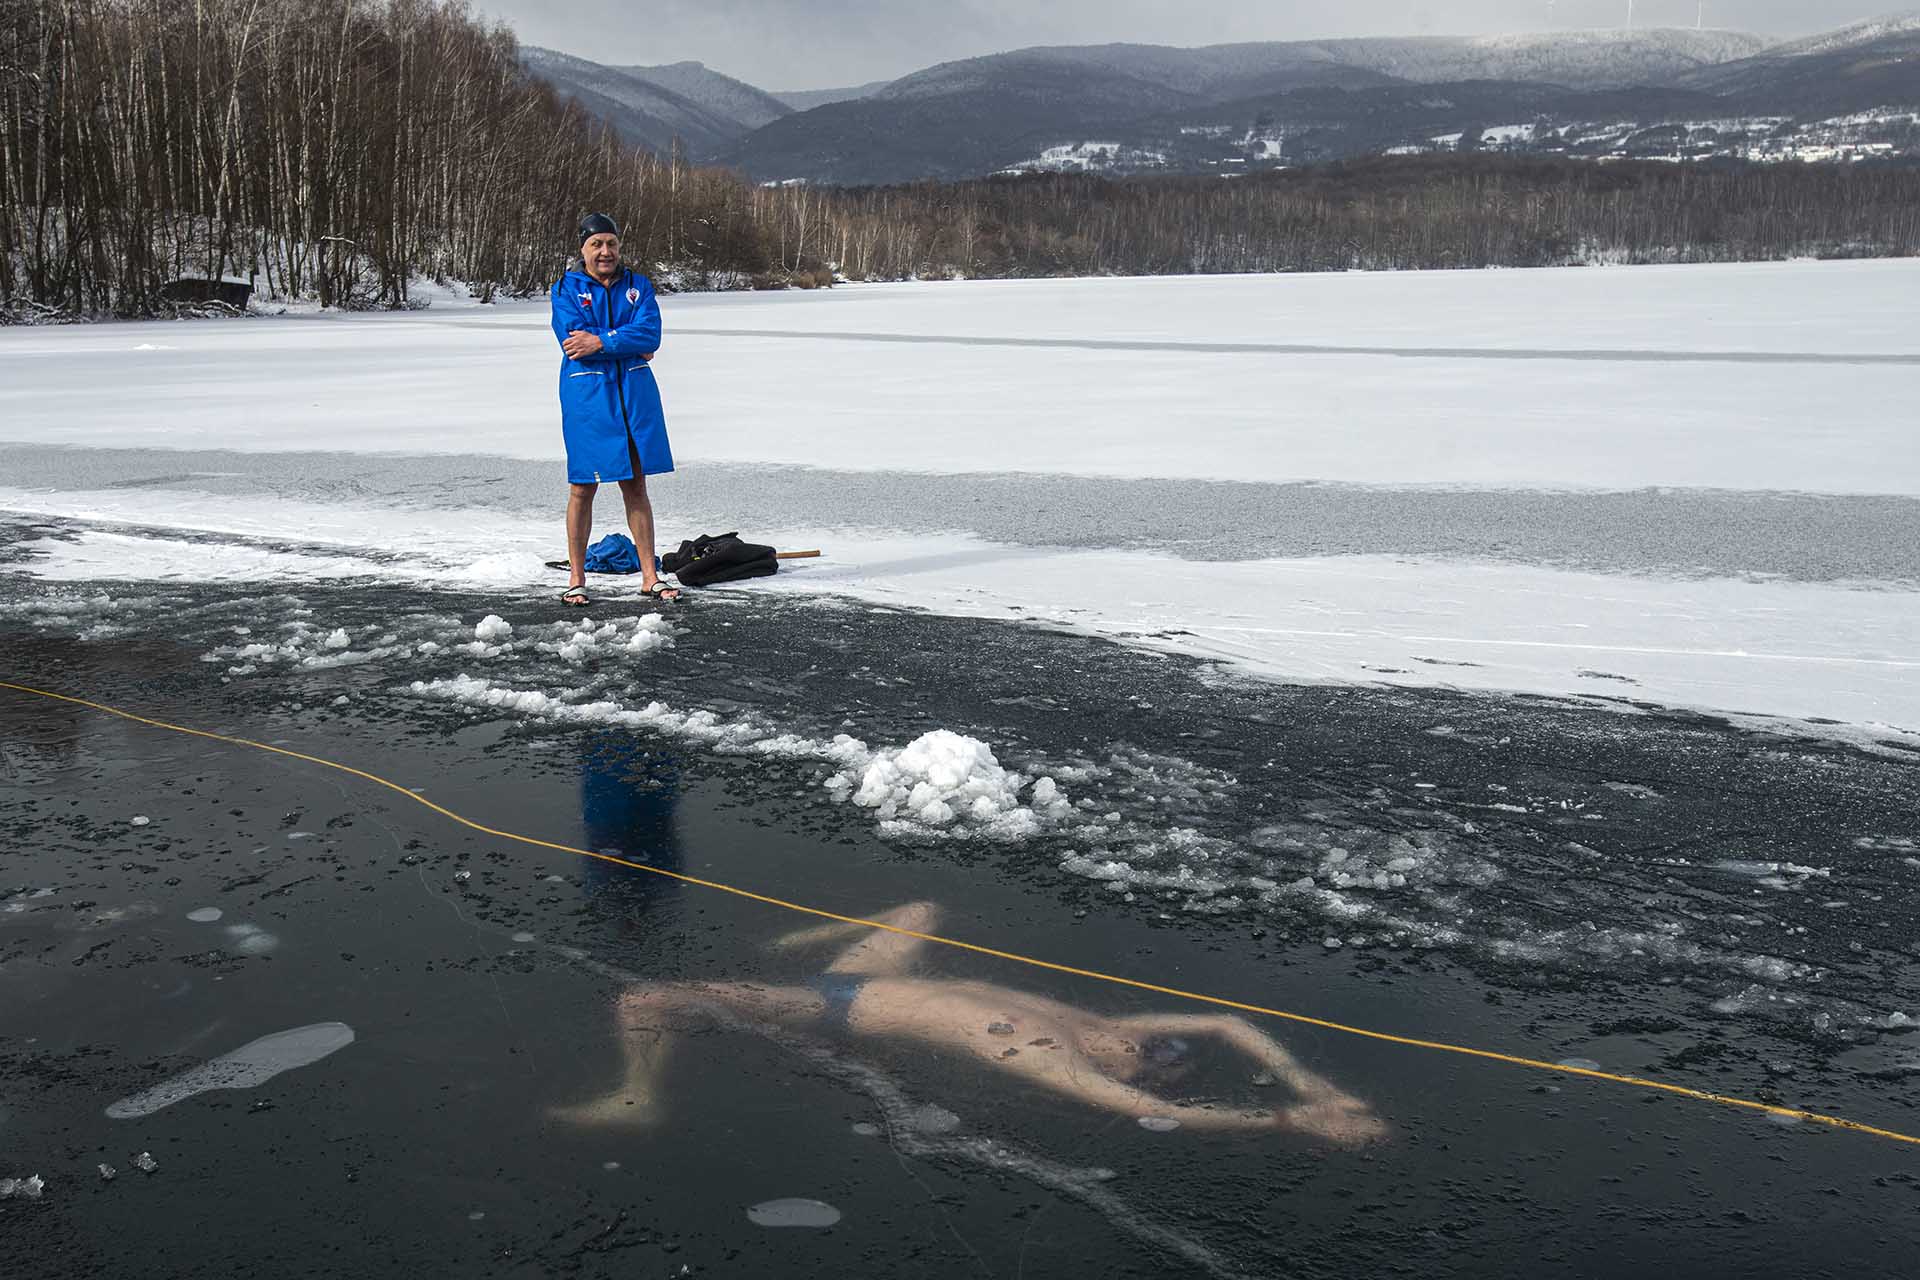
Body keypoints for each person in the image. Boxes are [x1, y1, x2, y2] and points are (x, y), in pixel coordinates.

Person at [552, 902, 1387, 1146]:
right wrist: (1308, 1079)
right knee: (924, 908)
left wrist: (1285, 1119)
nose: (1143, 1047)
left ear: (1130, 1072)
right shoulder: (1106, 1020)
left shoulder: (1052, 1056)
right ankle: (791, 933)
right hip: (851, 976)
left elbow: (1135, 1108)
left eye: (1147, 1061)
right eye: (1152, 1046)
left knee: (647, 999)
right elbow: (1228, 1020)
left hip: (834, 1009)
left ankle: (638, 1095)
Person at [550, 213, 678, 607]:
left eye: (611, 244)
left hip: (634, 396)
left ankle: (649, 576)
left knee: (636, 485)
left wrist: (602, 341)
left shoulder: (638, 286)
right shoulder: (565, 289)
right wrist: (626, 342)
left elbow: (650, 334)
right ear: (583, 249)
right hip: (588, 399)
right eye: (596, 244)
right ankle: (576, 577)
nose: (605, 252)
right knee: (582, 487)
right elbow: (573, 341)